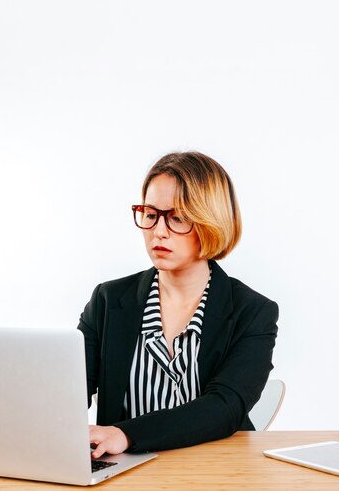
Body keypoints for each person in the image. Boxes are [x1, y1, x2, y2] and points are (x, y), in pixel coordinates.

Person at [78, 151, 279, 458]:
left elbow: (224, 407)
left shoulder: (252, 312)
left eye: (178, 218)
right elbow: (68, 391)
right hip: (124, 473)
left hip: (221, 472)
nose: (159, 231)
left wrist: (127, 434)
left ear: (211, 222)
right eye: (150, 214)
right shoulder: (108, 300)